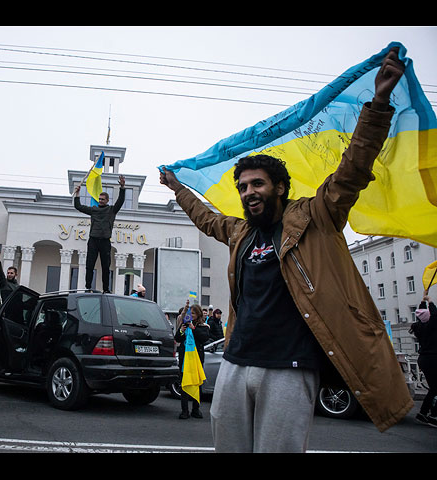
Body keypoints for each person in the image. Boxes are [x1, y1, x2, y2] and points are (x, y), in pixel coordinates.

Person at [160, 47, 413, 452]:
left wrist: (378, 103)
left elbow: (353, 169)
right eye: (242, 187)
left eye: (256, 184)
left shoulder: (316, 216)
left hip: (290, 367)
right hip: (236, 361)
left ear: (278, 187)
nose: (248, 193)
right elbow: (206, 219)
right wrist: (177, 189)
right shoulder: (241, 233)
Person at [73, 175, 126, 293]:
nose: (100, 201)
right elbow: (78, 206)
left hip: (105, 241)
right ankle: (88, 287)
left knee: (105, 267)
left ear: (107, 200)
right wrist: (77, 194)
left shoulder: (112, 210)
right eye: (99, 199)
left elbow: (120, 201)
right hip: (93, 241)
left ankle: (106, 289)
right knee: (89, 265)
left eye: (102, 199)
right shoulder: (93, 210)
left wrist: (122, 187)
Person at [175, 300, 210, 419]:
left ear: (198, 315)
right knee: (184, 384)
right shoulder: (185, 324)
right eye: (191, 313)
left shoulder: (202, 326)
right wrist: (182, 330)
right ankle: (185, 411)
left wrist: (193, 328)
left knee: (197, 384)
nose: (192, 315)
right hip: (185, 359)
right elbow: (178, 338)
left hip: (197, 360)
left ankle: (196, 409)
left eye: (194, 314)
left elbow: (204, 338)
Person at [409, 290, 437, 427]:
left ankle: (428, 413)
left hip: (424, 359)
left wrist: (422, 302)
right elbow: (435, 315)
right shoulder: (431, 327)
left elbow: (421, 314)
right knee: (435, 388)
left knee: (434, 388)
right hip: (432, 359)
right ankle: (429, 414)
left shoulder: (419, 326)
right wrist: (430, 301)